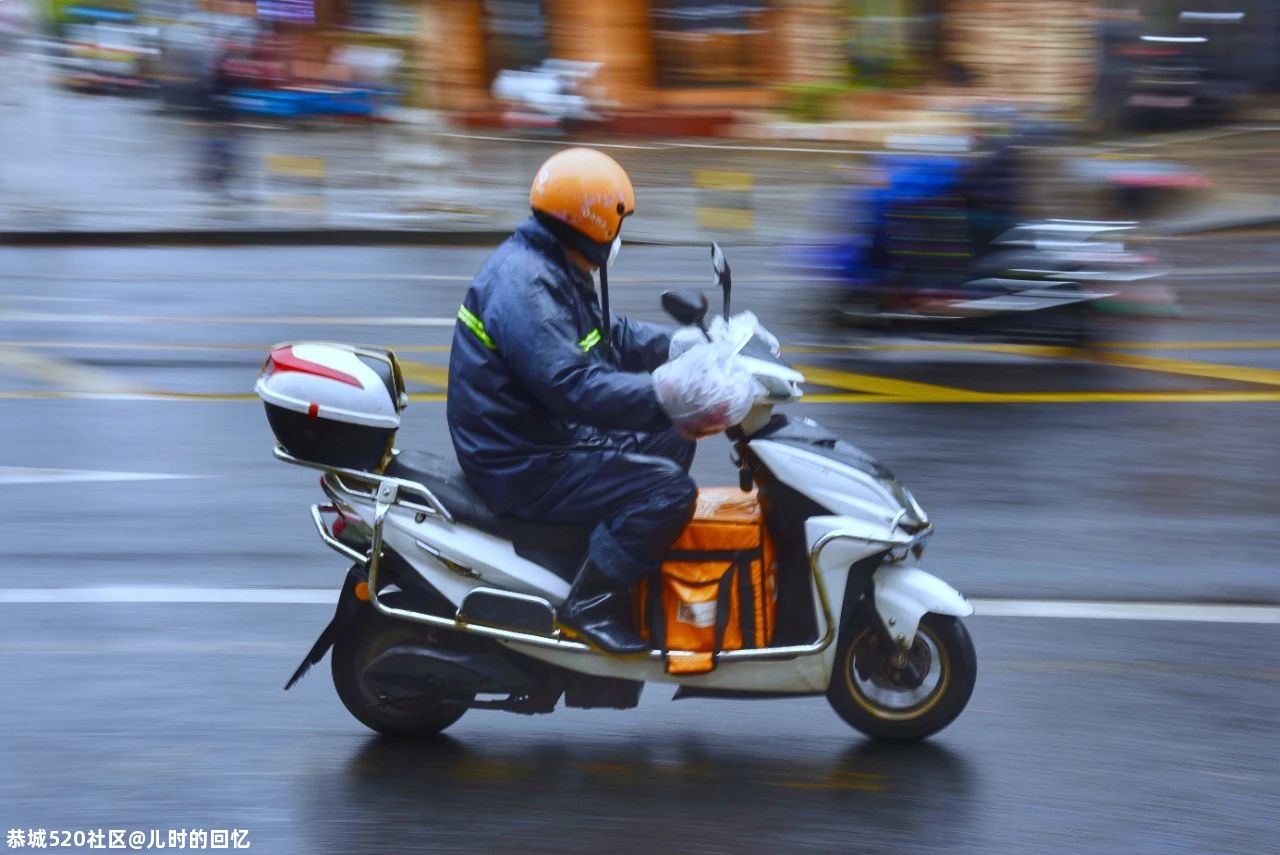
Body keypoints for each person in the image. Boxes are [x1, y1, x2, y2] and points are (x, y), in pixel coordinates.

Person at [448, 147, 741, 654]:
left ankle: (602, 550)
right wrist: (666, 392)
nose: (619, 232)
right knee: (667, 492)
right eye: (617, 220)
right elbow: (573, 385)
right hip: (521, 461)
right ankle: (590, 602)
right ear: (592, 221)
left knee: (672, 437)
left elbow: (607, 335)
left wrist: (682, 345)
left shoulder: (552, 263)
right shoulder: (528, 284)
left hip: (538, 435)